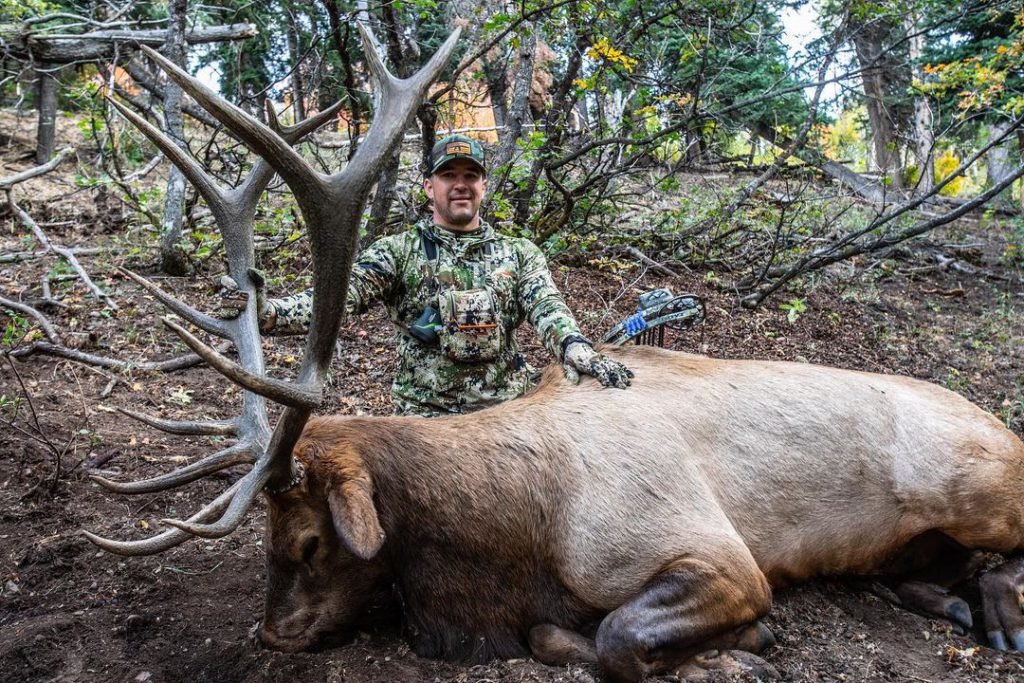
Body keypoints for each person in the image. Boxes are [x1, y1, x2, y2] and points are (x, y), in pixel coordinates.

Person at [229, 133, 632, 416]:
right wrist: (270, 313)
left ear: (483, 187)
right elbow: (340, 296)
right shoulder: (398, 251)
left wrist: (573, 345)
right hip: (425, 425)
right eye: (448, 176)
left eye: (470, 176)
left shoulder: (518, 253)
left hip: (511, 413)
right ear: (428, 186)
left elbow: (546, 304)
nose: (461, 185)